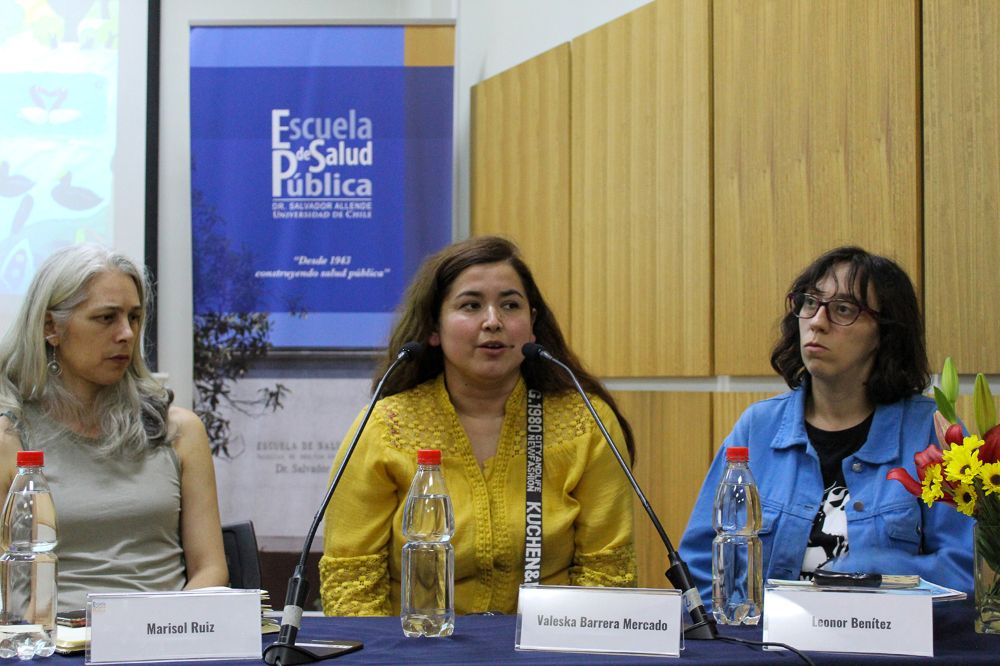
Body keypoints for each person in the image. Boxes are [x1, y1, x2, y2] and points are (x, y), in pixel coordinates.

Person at [319, 236, 637, 615]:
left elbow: (607, 573)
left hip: (550, 652)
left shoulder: (585, 423)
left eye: (510, 305)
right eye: (471, 305)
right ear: (433, 329)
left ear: (531, 325)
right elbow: (351, 583)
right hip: (418, 651)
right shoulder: (385, 428)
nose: (493, 321)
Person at [679, 246, 974, 603]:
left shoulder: (933, 431)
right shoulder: (758, 428)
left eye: (843, 309)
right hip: (769, 650)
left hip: (889, 648)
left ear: (884, 332)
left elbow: (967, 570)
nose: (817, 321)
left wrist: (874, 569)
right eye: (809, 303)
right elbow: (700, 567)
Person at [0, 244, 228, 611]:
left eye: (134, 317)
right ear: (50, 328)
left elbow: (211, 570)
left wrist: (167, 631)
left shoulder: (180, 432)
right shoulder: (10, 439)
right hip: (55, 646)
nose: (126, 334)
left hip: (166, 641)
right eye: (106, 318)